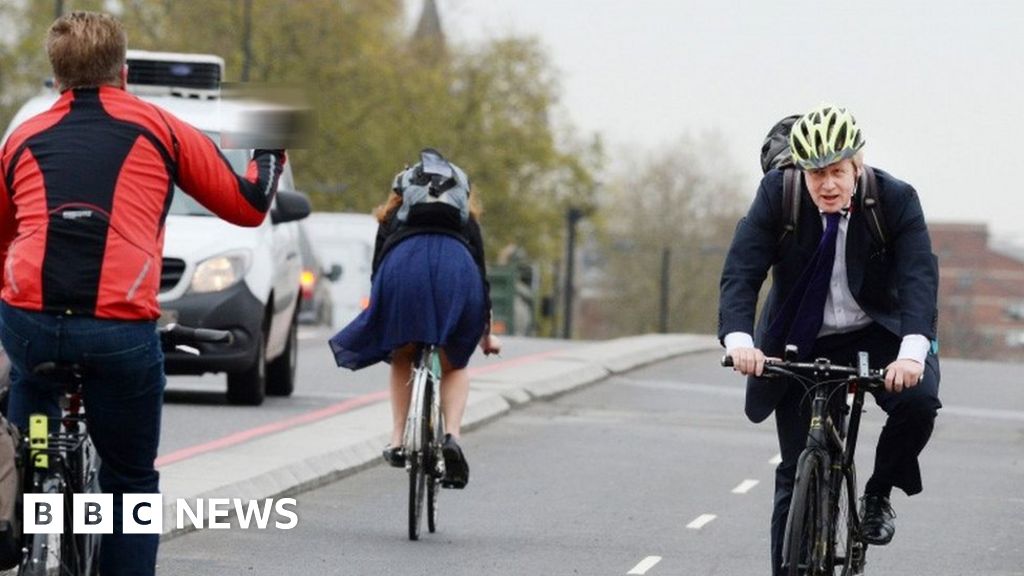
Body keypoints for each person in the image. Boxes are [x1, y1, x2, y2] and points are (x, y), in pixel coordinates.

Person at [0, 12, 286, 576]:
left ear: (57, 76)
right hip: (119, 330)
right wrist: (268, 147)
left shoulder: (21, 139)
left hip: (31, 323)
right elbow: (250, 206)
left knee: (30, 399)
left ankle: (28, 489)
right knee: (130, 483)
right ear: (123, 73)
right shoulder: (162, 128)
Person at [718, 104, 941, 575]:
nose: (828, 184)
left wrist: (912, 354)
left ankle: (878, 492)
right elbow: (741, 272)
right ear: (799, 170)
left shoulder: (897, 200)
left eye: (837, 171)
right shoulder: (778, 197)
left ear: (856, 165)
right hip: (800, 335)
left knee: (919, 404)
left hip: (877, 331)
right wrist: (739, 340)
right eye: (816, 173)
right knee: (792, 468)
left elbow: (919, 280)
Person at [328, 148, 501, 489]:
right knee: (454, 365)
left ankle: (397, 441)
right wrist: (486, 334)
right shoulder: (466, 220)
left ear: (405, 191)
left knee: (403, 354)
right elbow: (480, 277)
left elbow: (378, 272)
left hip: (402, 268)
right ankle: (452, 436)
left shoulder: (393, 216)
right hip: (457, 269)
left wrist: (383, 311)